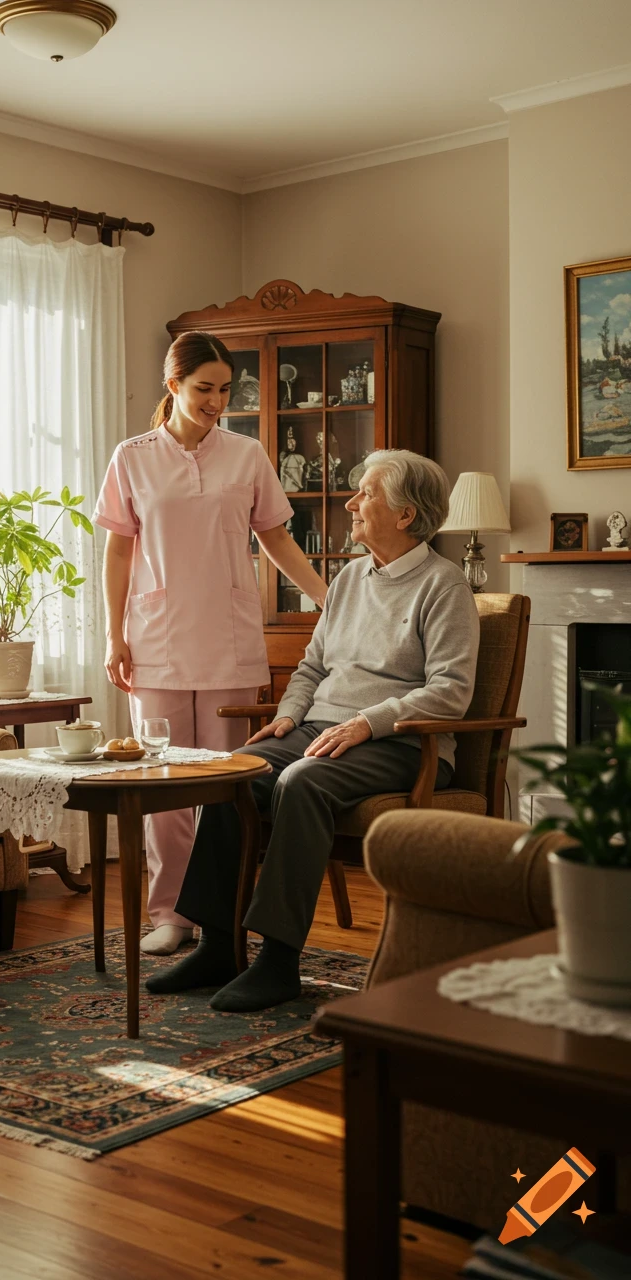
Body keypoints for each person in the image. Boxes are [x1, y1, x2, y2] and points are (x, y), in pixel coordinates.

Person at [147, 449, 480, 1006]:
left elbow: (451, 691)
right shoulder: (349, 579)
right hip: (320, 729)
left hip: (404, 743)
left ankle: (278, 962)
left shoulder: (444, 586)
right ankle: (219, 945)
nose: (351, 503)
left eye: (366, 493)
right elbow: (311, 667)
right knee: (231, 775)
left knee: (301, 781)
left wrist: (366, 724)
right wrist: (287, 716)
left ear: (404, 514)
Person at [94, 331, 328, 955]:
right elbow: (118, 551)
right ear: (172, 386)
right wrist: (113, 634)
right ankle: (170, 913)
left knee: (225, 789)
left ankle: (221, 911)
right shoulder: (132, 456)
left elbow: (276, 538)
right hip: (155, 641)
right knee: (164, 785)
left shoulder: (246, 455)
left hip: (228, 640)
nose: (217, 401)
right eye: (204, 389)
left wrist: (327, 597)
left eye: (225, 390)